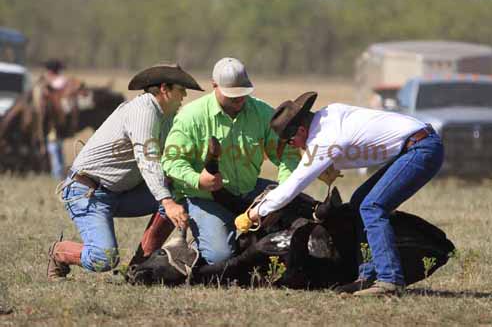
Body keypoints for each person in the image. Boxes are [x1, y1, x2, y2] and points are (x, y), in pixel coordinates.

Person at [240, 91, 444, 296]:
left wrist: (255, 212)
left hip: (421, 149)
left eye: (291, 142)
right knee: (359, 202)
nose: (294, 147)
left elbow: (293, 186)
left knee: (371, 206)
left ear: (301, 130)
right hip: (415, 144)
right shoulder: (328, 114)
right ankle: (368, 276)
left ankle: (390, 280)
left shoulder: (324, 139)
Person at [47, 63, 204, 281]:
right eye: (181, 89)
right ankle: (58, 252)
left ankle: (138, 268)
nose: (185, 94)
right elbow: (148, 161)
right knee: (104, 258)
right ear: (164, 89)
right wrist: (167, 202)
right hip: (88, 192)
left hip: (120, 192)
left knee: (178, 192)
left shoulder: (166, 117)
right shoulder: (144, 111)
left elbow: (172, 159)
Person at [161, 57, 300, 265]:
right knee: (219, 257)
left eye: (243, 94)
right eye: (232, 95)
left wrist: (282, 193)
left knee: (300, 207)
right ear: (214, 86)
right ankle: (195, 244)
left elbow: (287, 154)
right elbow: (171, 161)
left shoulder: (262, 113)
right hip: (205, 198)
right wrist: (198, 179)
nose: (239, 100)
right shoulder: (191, 116)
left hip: (250, 190)